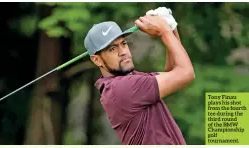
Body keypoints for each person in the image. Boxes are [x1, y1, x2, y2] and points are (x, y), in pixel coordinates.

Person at [84, 14, 195, 145]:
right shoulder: (121, 88)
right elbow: (185, 74)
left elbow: (173, 72)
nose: (123, 52)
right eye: (112, 49)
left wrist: (170, 28)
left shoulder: (130, 80)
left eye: (123, 44)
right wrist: (164, 31)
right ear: (97, 60)